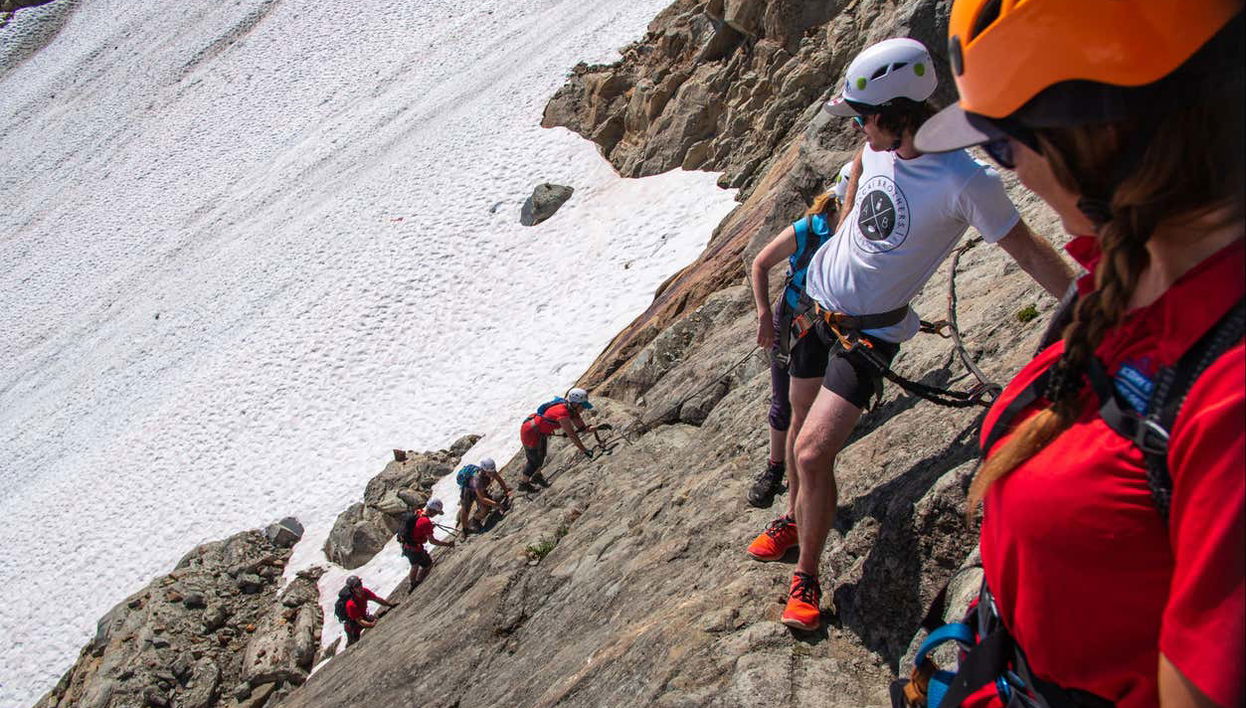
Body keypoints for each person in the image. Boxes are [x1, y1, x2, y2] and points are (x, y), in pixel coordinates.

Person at [909, 2, 1243, 705]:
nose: (1010, 172)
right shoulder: (1131, 266)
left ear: (1101, 133)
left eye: (1003, 144)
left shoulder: (1227, 391)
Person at [767, 37, 1074, 632]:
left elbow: (1027, 250)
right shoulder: (875, 146)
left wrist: (1090, 304)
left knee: (810, 450)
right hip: (816, 307)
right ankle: (794, 521)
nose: (858, 128)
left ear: (895, 114)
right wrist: (845, 227)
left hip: (867, 334)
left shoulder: (964, 181)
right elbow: (859, 177)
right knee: (802, 432)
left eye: (862, 117)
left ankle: (806, 574)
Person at [746, 165, 851, 510]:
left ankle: (802, 455)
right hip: (796, 322)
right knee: (783, 400)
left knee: (820, 394)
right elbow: (760, 263)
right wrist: (764, 316)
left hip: (832, 321)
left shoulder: (858, 230)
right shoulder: (810, 229)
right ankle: (776, 467)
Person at [517, 387, 596, 491]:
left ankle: (536, 476)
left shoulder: (571, 410)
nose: (584, 408)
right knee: (534, 461)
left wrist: (593, 428)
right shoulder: (562, 413)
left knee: (541, 456)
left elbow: (582, 428)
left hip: (538, 431)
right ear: (575, 404)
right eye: (583, 406)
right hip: (530, 432)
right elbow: (572, 435)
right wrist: (584, 450)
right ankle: (524, 484)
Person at [398, 498, 455, 592]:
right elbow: (432, 541)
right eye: (436, 513)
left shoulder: (418, 512)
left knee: (415, 563)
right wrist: (448, 544)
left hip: (406, 545)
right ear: (432, 511)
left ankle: (413, 583)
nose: (436, 515)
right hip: (414, 548)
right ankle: (415, 583)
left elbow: (417, 527)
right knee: (422, 565)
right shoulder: (426, 522)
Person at [457, 457, 511, 534]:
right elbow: (482, 498)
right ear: (483, 470)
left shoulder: (490, 470)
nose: (492, 474)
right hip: (468, 491)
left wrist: (506, 491)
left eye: (492, 471)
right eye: (489, 472)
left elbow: (499, 479)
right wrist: (497, 505)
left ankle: (476, 518)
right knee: (466, 510)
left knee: (487, 506)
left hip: (479, 489)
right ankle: (467, 527)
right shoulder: (477, 479)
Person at [340, 575, 396, 646]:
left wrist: (390, 605)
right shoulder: (351, 604)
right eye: (357, 586)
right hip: (353, 626)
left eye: (360, 583)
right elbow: (359, 621)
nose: (360, 586)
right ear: (352, 589)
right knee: (354, 644)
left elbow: (377, 599)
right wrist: (371, 625)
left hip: (362, 617)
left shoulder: (365, 592)